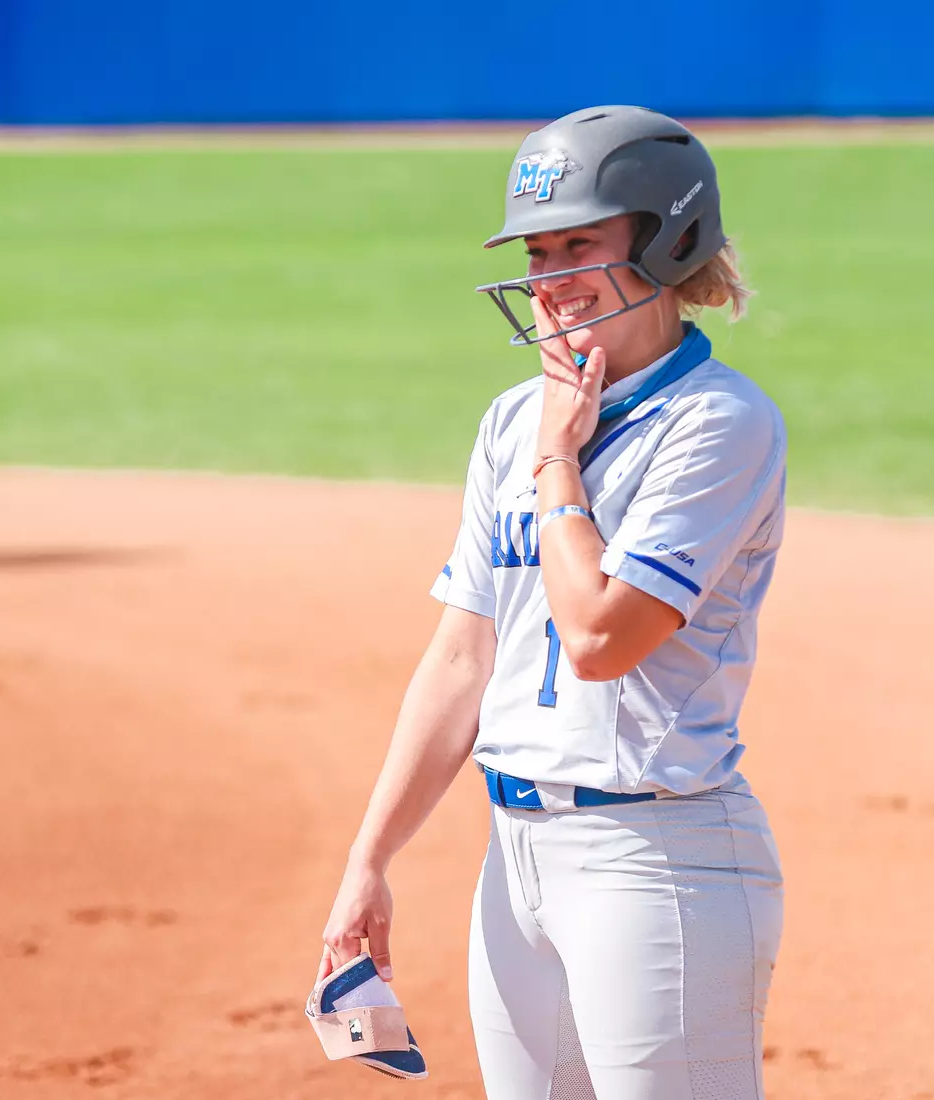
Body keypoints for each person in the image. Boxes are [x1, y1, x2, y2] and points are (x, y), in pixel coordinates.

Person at [318, 104, 788, 1100]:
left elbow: (599, 637)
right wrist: (368, 859)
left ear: (666, 245)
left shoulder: (717, 423)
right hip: (514, 865)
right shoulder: (511, 422)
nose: (548, 278)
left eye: (579, 244)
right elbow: (461, 656)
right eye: (537, 252)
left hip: (653, 861)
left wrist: (555, 460)